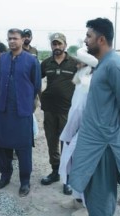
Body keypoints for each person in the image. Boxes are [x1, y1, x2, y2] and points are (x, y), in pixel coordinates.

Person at [69, 18, 120, 216]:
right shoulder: (103, 64)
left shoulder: (115, 65)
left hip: (103, 145)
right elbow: (109, 104)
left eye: (88, 36)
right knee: (92, 195)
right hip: (93, 139)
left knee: (101, 197)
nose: (85, 40)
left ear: (101, 40)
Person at [0, 28, 41, 197]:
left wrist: (26, 100)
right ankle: (5, 176)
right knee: (3, 146)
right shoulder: (3, 59)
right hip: (3, 110)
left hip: (22, 111)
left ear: (22, 40)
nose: (12, 41)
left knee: (23, 148)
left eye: (15, 38)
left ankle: (25, 181)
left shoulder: (31, 60)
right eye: (9, 38)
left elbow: (36, 86)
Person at [58, 48, 98, 215]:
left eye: (79, 62)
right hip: (80, 132)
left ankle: (86, 208)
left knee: (83, 169)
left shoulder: (87, 82)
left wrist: (69, 134)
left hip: (84, 132)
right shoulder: (83, 79)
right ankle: (77, 201)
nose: (76, 65)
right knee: (74, 166)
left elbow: (77, 112)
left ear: (87, 65)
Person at [40, 32, 78, 189]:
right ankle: (55, 171)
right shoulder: (46, 63)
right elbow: (37, 82)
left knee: (67, 144)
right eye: (54, 44)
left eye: (59, 43)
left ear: (65, 45)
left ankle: (67, 178)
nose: (57, 46)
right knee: (51, 142)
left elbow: (83, 85)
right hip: (49, 110)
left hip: (67, 111)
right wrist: (40, 98)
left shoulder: (74, 63)